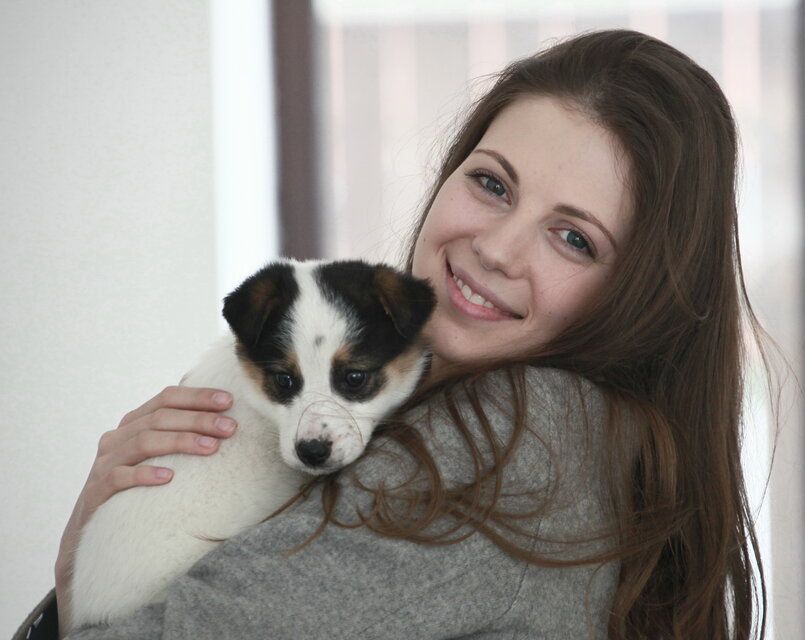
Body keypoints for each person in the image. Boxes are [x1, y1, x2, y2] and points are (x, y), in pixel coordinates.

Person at [15, 29, 772, 639]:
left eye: (573, 238)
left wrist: (80, 576)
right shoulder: (516, 423)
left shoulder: (519, 436)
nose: (496, 249)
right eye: (491, 183)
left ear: (637, 294)